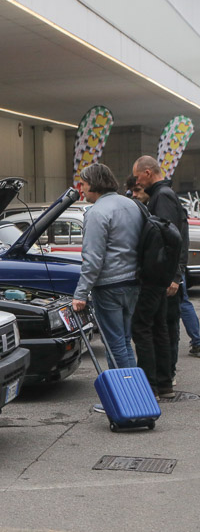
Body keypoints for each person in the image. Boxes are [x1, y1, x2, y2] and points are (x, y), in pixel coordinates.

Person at [72, 164, 142, 383]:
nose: (81, 189)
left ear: (94, 184)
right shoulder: (131, 205)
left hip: (109, 286)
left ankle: (125, 392)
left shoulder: (97, 212)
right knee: (125, 340)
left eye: (83, 183)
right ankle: (134, 389)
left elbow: (93, 259)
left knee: (115, 344)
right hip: (133, 281)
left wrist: (80, 294)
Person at [127, 174, 200, 365]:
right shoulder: (158, 200)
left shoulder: (162, 198)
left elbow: (172, 240)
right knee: (165, 323)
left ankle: (168, 370)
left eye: (138, 189)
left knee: (167, 323)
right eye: (132, 191)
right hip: (166, 275)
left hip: (166, 275)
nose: (135, 194)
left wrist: (175, 276)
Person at [132, 155, 188, 399]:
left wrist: (171, 276)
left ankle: (152, 385)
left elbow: (167, 237)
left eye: (137, 177)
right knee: (160, 328)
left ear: (147, 172)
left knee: (146, 328)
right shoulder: (164, 194)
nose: (137, 182)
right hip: (163, 276)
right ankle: (163, 384)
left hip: (156, 276)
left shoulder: (161, 197)